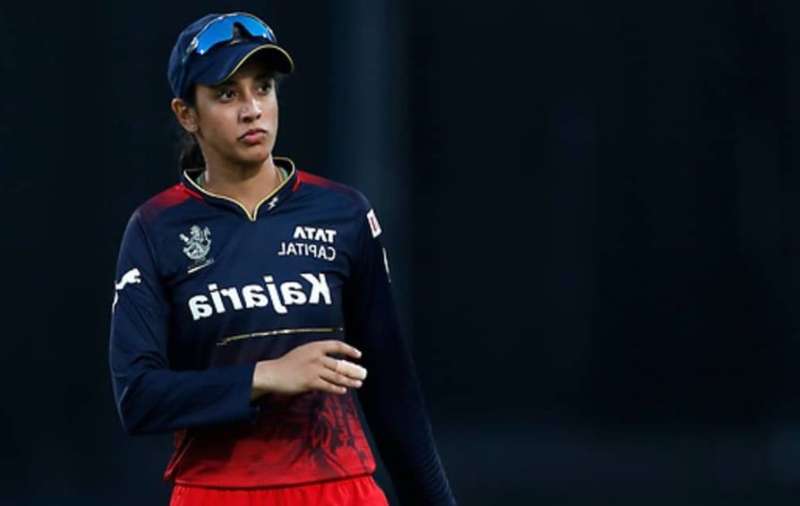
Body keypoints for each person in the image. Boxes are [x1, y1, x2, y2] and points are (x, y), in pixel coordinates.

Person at [108, 11, 457, 506]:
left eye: (264, 88)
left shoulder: (344, 213)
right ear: (187, 114)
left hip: (339, 489)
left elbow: (392, 389)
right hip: (217, 492)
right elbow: (138, 398)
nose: (252, 110)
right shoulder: (156, 227)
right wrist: (265, 376)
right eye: (227, 94)